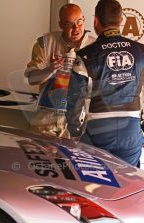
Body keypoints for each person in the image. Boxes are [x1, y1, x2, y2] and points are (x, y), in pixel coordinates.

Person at [66, 0, 144, 167]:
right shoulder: (143, 52)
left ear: (96, 21)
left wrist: (74, 131)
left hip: (97, 130)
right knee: (129, 184)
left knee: (96, 185)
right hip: (130, 129)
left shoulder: (85, 55)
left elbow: (74, 99)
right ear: (121, 21)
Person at [24, 3, 95, 138]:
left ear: (84, 20)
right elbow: (31, 79)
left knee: (73, 158)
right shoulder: (46, 42)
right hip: (46, 118)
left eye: (79, 22)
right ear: (61, 24)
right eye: (69, 24)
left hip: (78, 120)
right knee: (40, 157)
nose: (76, 28)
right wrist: (49, 70)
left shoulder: (95, 46)